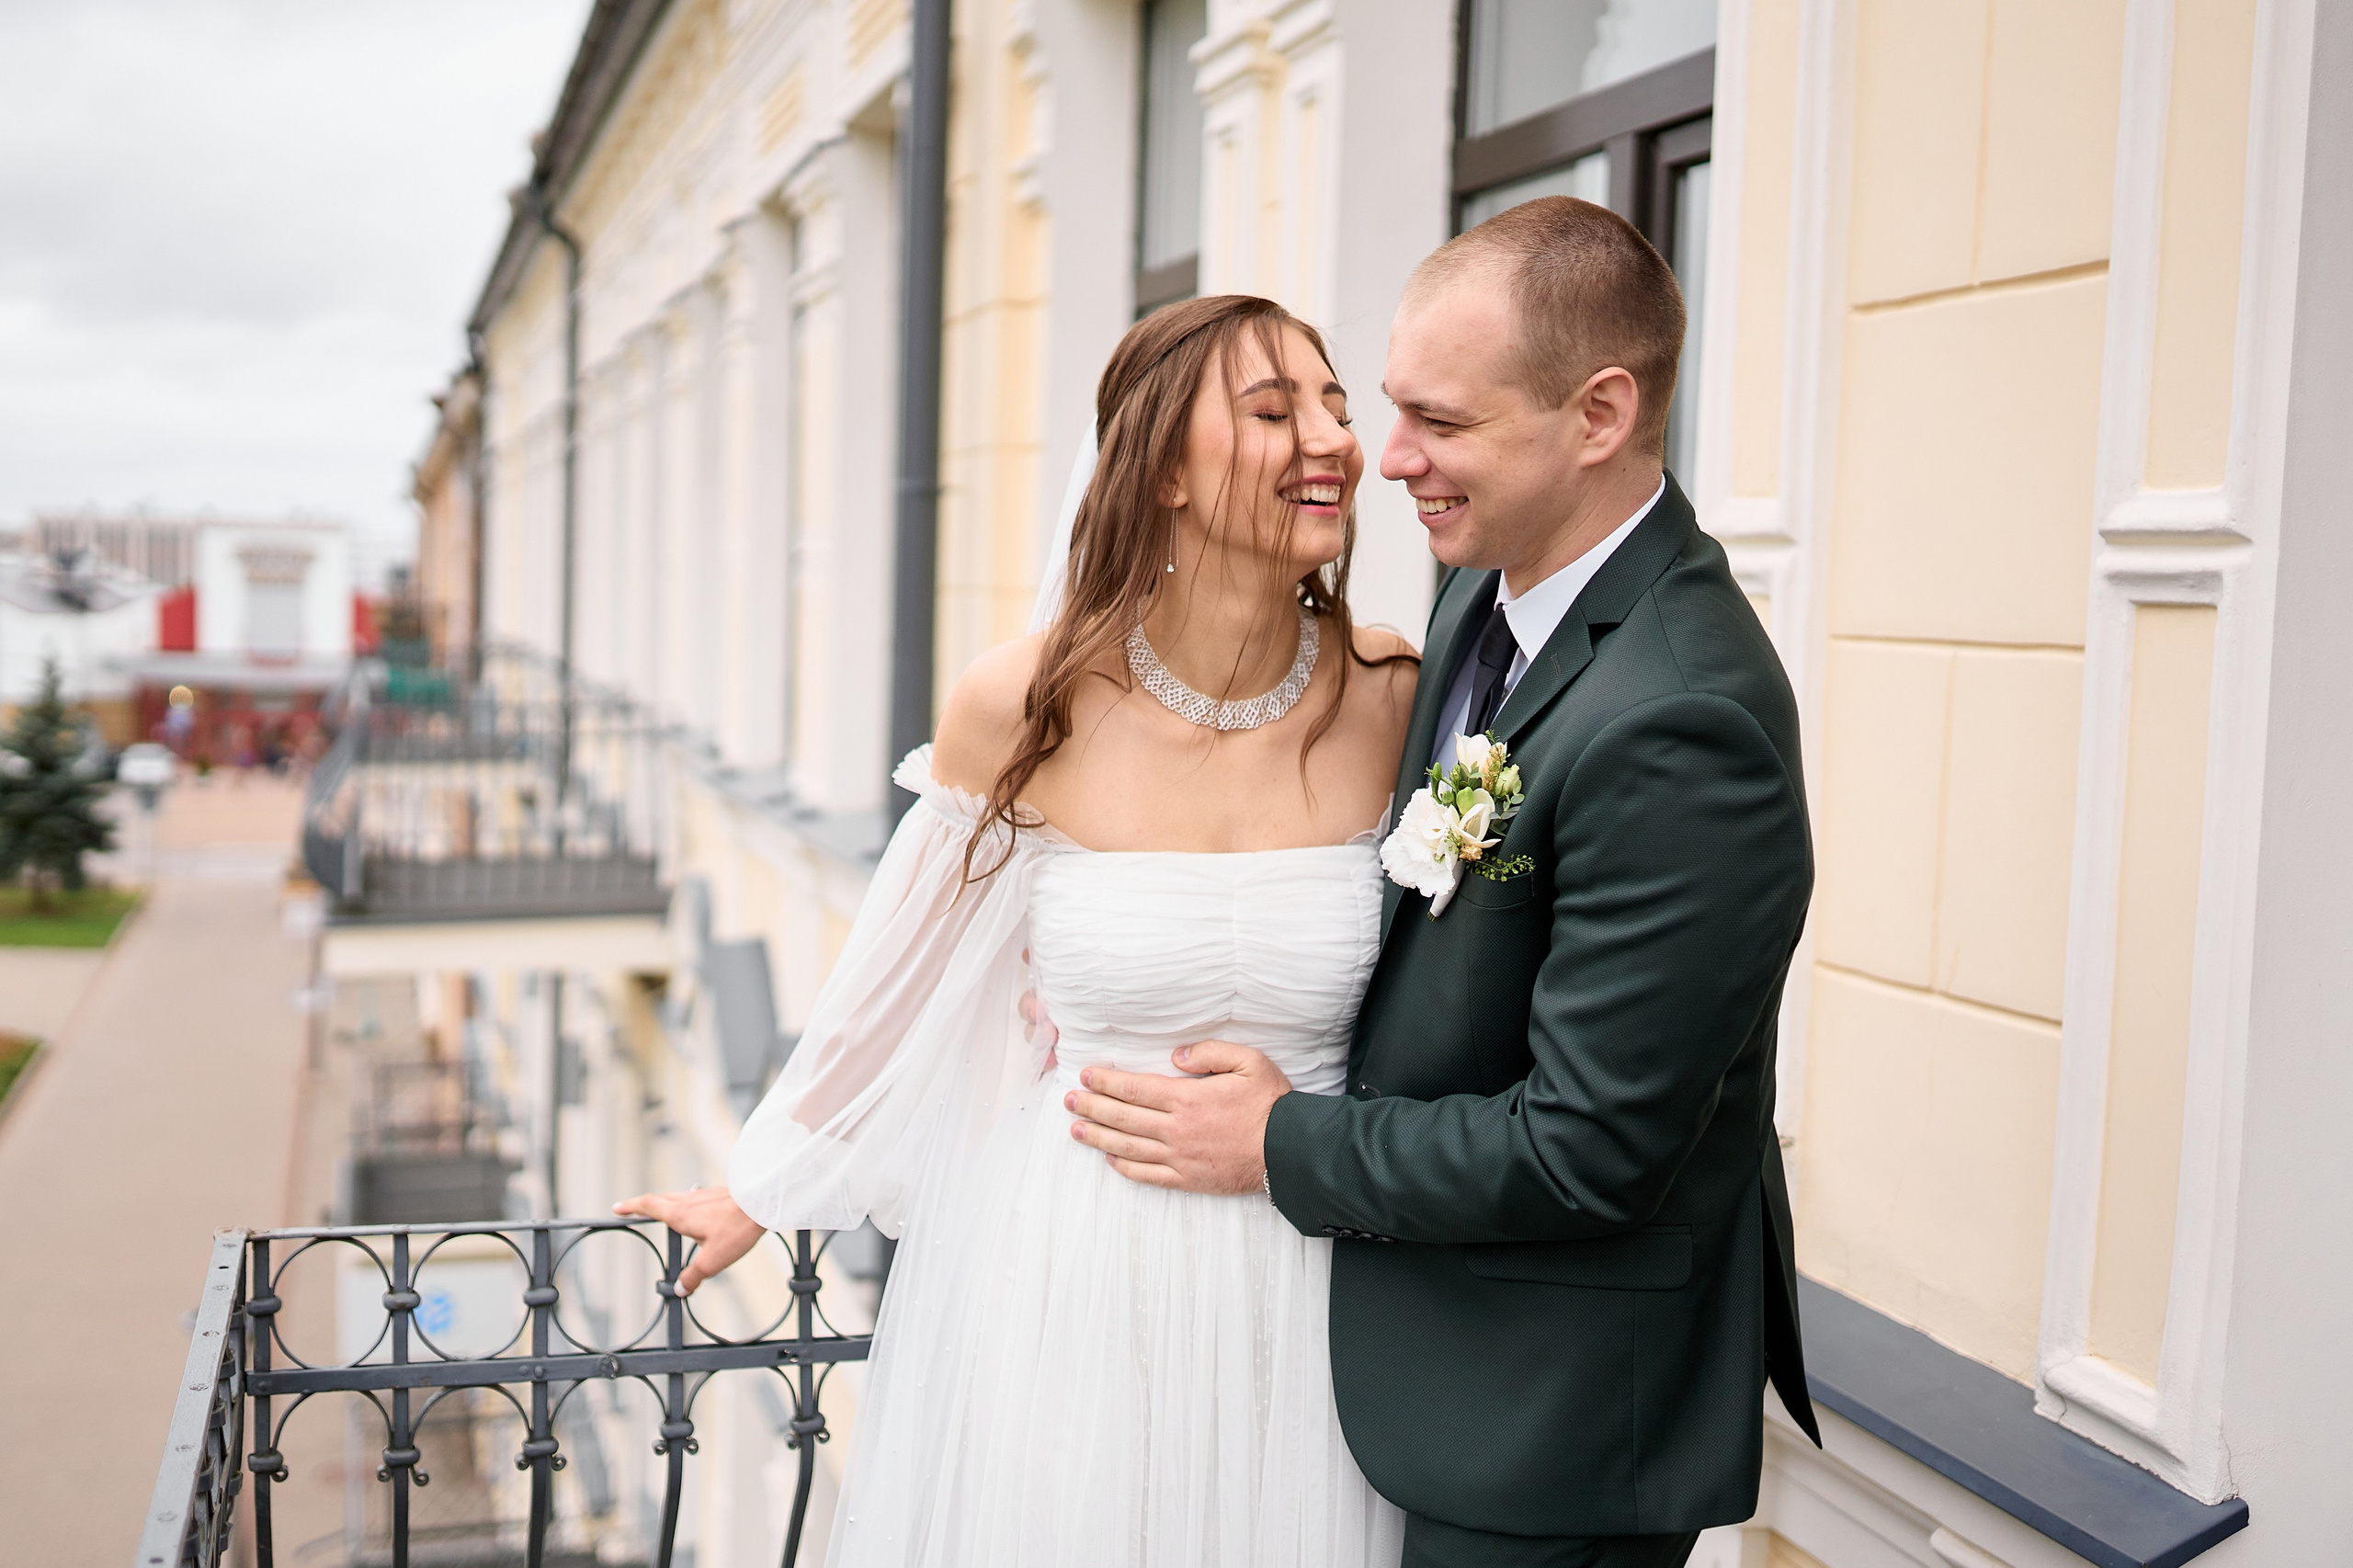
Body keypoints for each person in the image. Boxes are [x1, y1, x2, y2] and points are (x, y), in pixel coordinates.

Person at [1068, 196, 1821, 1568]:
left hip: (1550, 1414)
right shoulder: (1492, 588)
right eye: (1393, 407)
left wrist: (1278, 1143)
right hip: (1411, 1351)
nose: (1385, 457)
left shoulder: (1683, 719)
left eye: (1445, 424)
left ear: (1598, 415)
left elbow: (1586, 1145)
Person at [619, 292, 1420, 1565]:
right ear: (1161, 469)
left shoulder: (1394, 698)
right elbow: (898, 971)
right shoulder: (1024, 702)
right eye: (1274, 411)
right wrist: (759, 1185)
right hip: (1077, 1274)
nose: (1332, 438)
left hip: (1318, 1277)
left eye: (1335, 403)